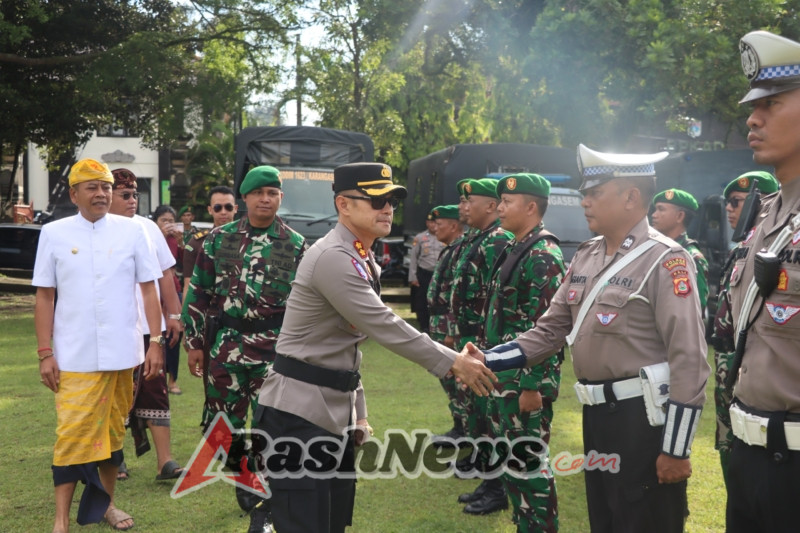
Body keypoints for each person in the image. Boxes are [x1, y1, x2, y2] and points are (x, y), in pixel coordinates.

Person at [467, 144, 710, 533]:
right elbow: (549, 329)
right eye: (585, 193)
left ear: (631, 197)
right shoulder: (587, 255)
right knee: (606, 519)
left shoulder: (666, 259)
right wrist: (488, 359)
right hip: (597, 415)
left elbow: (689, 357)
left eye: (595, 193)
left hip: (643, 419)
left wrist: (676, 449)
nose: (584, 201)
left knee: (643, 521)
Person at [254, 162, 497, 533]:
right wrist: (454, 362)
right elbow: (383, 324)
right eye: (376, 200)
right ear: (343, 204)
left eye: (391, 201)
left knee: (331, 521)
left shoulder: (358, 255)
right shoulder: (334, 257)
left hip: (327, 411)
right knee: (304, 523)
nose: (387, 209)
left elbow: (346, 346)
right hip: (298, 414)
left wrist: (359, 412)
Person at [33, 158, 164, 532]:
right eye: (92, 187)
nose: (102, 193)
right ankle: (60, 520)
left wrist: (156, 342)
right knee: (71, 434)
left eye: (106, 187)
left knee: (112, 433)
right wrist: (45, 352)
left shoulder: (134, 231)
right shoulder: (54, 233)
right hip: (73, 356)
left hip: (123, 354)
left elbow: (149, 289)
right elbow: (44, 296)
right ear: (74, 194)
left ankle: (107, 505)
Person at [182, 166, 307, 533]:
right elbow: (199, 292)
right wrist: (194, 343)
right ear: (245, 198)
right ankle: (244, 472)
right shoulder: (219, 240)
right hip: (226, 347)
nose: (265, 199)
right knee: (219, 428)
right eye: (258, 193)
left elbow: (307, 303)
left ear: (280, 198)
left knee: (273, 428)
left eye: (272, 193)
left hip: (275, 351)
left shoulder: (296, 245)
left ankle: (264, 499)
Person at [725, 30, 800, 533]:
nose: (753, 119)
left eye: (771, 103)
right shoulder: (768, 213)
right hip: (749, 454)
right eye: (754, 106)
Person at [470, 173, 566, 531]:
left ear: (531, 207)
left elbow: (547, 330)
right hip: (504, 377)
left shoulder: (543, 255)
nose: (500, 208)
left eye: (508, 202)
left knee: (529, 469)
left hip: (523, 383)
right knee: (512, 467)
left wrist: (532, 386)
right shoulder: (518, 247)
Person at [108, 169, 184, 483]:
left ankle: (165, 461)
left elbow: (166, 274)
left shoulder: (148, 227)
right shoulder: (95, 230)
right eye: (125, 195)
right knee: (112, 394)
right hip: (110, 329)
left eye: (135, 195)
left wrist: (174, 315)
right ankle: (114, 458)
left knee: (155, 390)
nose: (133, 201)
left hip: (149, 328)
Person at [709, 171, 778, 489]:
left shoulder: (773, 253)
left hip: (757, 375)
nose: (728, 209)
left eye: (736, 202)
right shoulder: (740, 250)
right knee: (730, 456)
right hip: (728, 373)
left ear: (760, 203)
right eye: (727, 202)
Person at [450, 177, 512, 515]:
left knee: (490, 419)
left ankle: (497, 487)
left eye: (469, 201)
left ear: (490, 205)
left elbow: (497, 298)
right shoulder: (480, 238)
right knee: (478, 416)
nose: (463, 207)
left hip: (486, 344)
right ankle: (489, 482)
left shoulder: (497, 240)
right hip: (472, 342)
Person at [426, 205, 467, 442]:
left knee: (454, 378)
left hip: (447, 327)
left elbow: (456, 295)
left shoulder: (460, 250)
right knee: (446, 377)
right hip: (439, 324)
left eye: (439, 224)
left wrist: (451, 332)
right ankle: (459, 425)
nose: (435, 228)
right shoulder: (451, 249)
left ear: (453, 226)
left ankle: (464, 429)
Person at [650, 188, 710, 309]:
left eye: (661, 209)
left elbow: (696, 308)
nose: (654, 215)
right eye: (655, 209)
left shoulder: (692, 257)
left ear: (680, 216)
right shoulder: (653, 250)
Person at [153, 204, 185, 395]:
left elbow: (185, 262)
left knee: (175, 334)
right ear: (155, 222)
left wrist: (181, 242)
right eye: (163, 220)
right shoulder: (150, 238)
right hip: (154, 291)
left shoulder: (175, 239)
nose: (168, 224)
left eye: (171, 221)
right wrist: (161, 236)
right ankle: (157, 377)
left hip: (174, 290)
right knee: (157, 333)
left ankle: (173, 380)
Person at [408, 210, 444, 333]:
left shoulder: (443, 235)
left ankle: (438, 325)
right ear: (427, 223)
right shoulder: (420, 238)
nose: (432, 225)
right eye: (430, 222)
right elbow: (413, 258)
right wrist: (413, 277)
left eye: (435, 222)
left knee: (439, 300)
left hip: (440, 274)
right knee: (423, 300)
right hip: (424, 273)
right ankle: (424, 326)